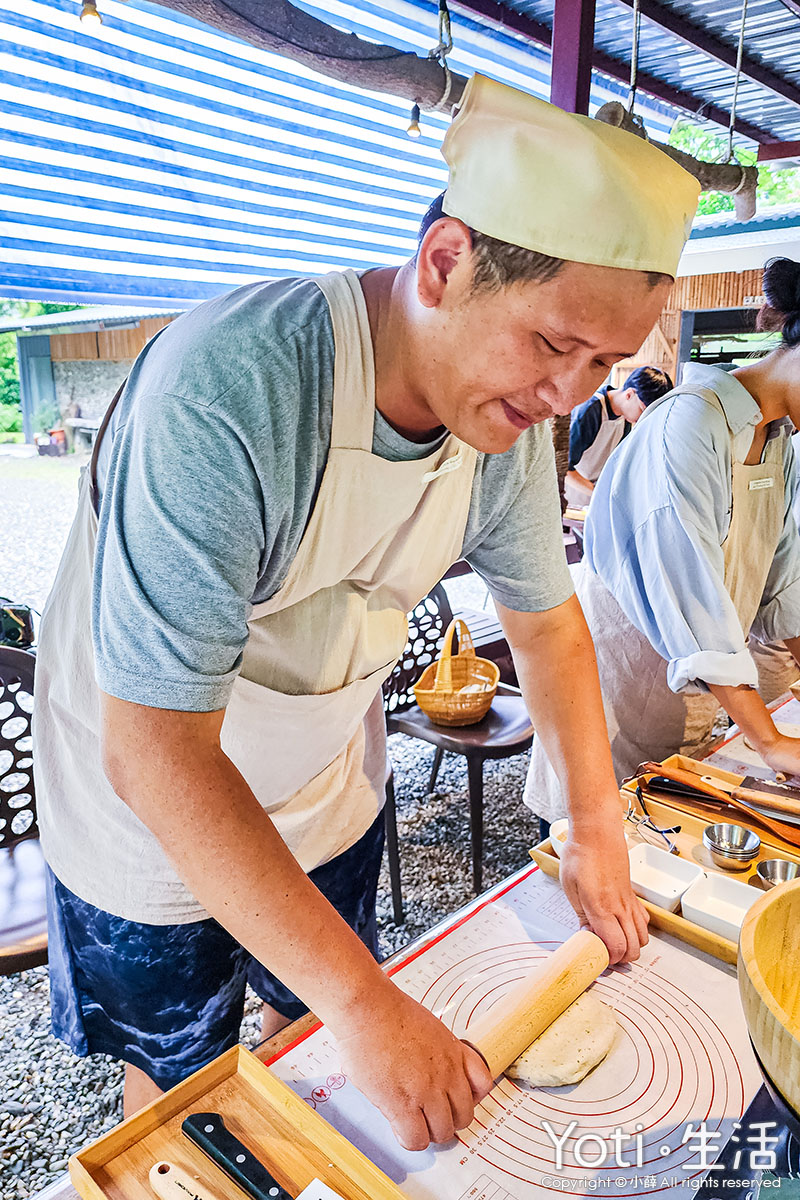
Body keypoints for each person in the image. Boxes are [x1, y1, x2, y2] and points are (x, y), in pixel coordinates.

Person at [33, 74, 699, 1150]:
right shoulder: (235, 388)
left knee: (316, 1046)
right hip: (150, 809)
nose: (567, 395)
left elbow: (546, 623)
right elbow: (156, 751)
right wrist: (369, 1004)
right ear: (445, 262)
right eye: (548, 344)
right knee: (177, 1090)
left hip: (318, 780)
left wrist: (589, 825)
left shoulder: (508, 426)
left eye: (603, 366)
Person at [525, 256, 800, 825]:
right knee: (597, 833)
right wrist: (770, 741)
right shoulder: (690, 423)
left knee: (668, 828)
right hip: (624, 676)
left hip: (696, 687)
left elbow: (787, 584)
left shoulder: (778, 444)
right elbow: (686, 584)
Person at [564, 366, 673, 507]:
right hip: (574, 497)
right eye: (642, 410)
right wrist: (600, 493)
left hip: (596, 495)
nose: (641, 419)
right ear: (629, 394)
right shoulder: (590, 411)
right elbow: (566, 469)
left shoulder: (625, 417)